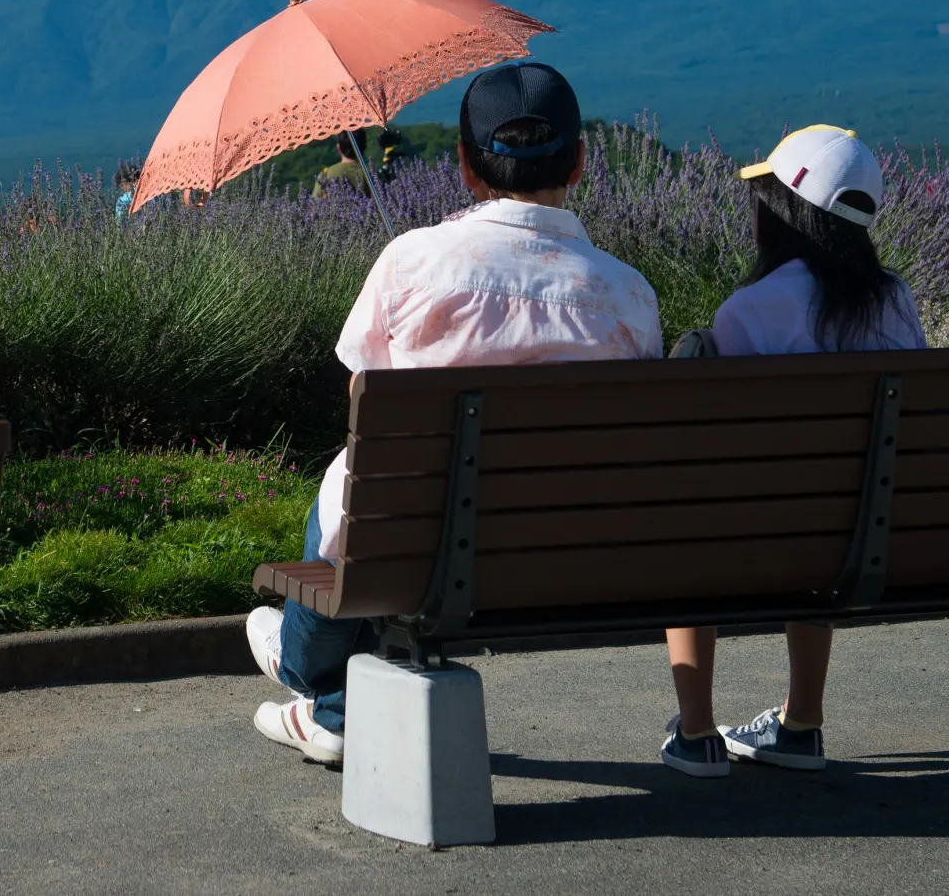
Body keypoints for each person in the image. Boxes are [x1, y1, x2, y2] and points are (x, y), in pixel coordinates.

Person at [245, 63, 662, 764]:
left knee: (353, 490)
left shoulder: (412, 261)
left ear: (466, 168)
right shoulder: (631, 297)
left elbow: (361, 400)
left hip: (413, 549)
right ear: (581, 161)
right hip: (569, 559)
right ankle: (330, 705)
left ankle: (310, 677)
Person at [660, 124, 927, 779]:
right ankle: (801, 723)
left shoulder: (751, 311)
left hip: (753, 539)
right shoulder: (896, 300)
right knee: (830, 504)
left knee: (682, 515)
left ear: (781, 212)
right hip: (871, 535)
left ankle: (697, 734)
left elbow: (713, 455)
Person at [312, 130, 371, 195]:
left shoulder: (325, 175)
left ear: (338, 147)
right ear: (364, 146)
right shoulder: (370, 174)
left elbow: (315, 202)